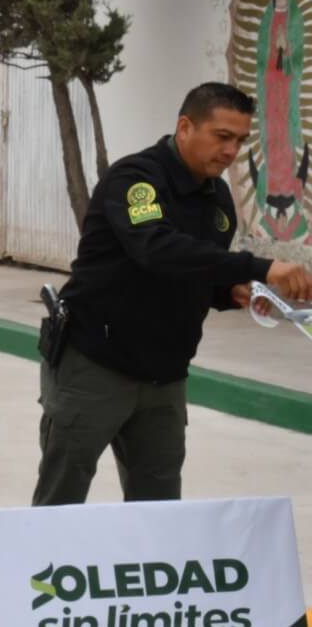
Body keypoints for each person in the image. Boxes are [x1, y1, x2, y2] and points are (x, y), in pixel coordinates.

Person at [34, 82, 312, 505]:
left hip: (165, 376)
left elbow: (196, 267)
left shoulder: (217, 196)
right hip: (94, 366)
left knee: (159, 505)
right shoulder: (135, 179)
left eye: (239, 140)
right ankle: (43, 571)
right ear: (185, 127)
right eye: (222, 137)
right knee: (62, 498)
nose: (231, 151)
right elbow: (157, 249)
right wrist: (261, 266)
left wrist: (231, 290)